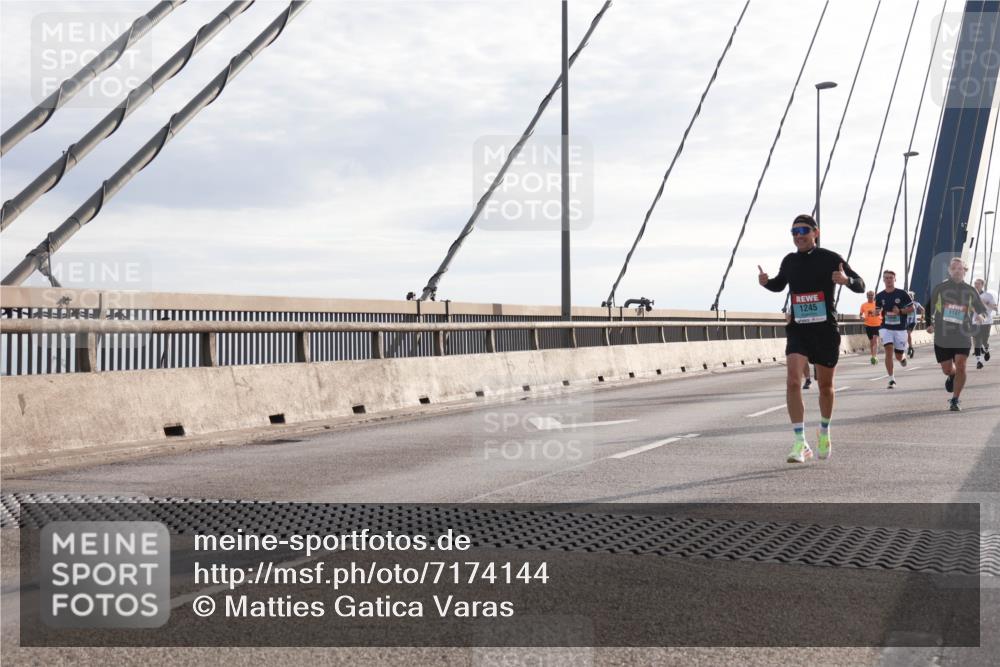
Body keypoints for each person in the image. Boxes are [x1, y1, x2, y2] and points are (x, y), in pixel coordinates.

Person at [758, 214, 865, 463]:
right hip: (799, 329)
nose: (798, 235)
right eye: (794, 232)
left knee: (825, 388)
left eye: (804, 230)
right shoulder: (790, 261)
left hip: (825, 330)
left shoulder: (830, 258)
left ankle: (824, 431)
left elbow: (860, 284)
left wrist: (845, 280)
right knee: (793, 382)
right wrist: (766, 283)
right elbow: (779, 285)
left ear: (815, 232)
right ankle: (800, 442)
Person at [925, 257, 989, 411]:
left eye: (960, 268)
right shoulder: (940, 288)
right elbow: (929, 308)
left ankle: (955, 399)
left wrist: (981, 316)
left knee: (961, 365)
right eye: (954, 268)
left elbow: (982, 310)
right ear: (949, 271)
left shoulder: (970, 290)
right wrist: (929, 324)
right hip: (942, 335)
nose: (957, 271)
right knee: (947, 369)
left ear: (965, 271)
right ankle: (951, 375)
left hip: (962, 333)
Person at [874, 270, 913, 388]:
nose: (888, 280)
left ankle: (902, 358)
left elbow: (911, 308)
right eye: (886, 278)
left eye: (891, 278)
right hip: (886, 327)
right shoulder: (880, 295)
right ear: (883, 280)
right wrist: (877, 311)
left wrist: (900, 311)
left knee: (898, 356)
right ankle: (891, 379)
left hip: (900, 328)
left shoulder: (902, 294)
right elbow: (878, 309)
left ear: (895, 279)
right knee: (888, 351)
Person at [973, 278, 997, 369]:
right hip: (975, 321)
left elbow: (995, 308)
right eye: (975, 283)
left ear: (982, 285)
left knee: (984, 341)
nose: (976, 285)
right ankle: (979, 361)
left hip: (986, 321)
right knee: (977, 341)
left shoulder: (988, 295)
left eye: (978, 284)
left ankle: (986, 350)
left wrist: (985, 302)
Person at [859, 290, 882, 365]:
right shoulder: (863, 305)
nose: (870, 297)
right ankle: (872, 356)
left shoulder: (877, 304)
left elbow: (882, 312)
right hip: (868, 325)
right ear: (867, 296)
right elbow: (860, 314)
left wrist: (879, 315)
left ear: (874, 296)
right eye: (869, 295)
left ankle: (874, 357)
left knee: (875, 340)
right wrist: (862, 318)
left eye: (872, 295)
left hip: (877, 324)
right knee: (871, 342)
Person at [905, 291, 924, 357]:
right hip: (905, 322)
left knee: (908, 333)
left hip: (912, 322)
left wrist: (922, 317)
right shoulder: (904, 304)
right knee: (905, 335)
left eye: (911, 297)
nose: (910, 298)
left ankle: (910, 348)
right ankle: (911, 348)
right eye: (908, 296)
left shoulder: (916, 304)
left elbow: (922, 309)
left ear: (913, 298)